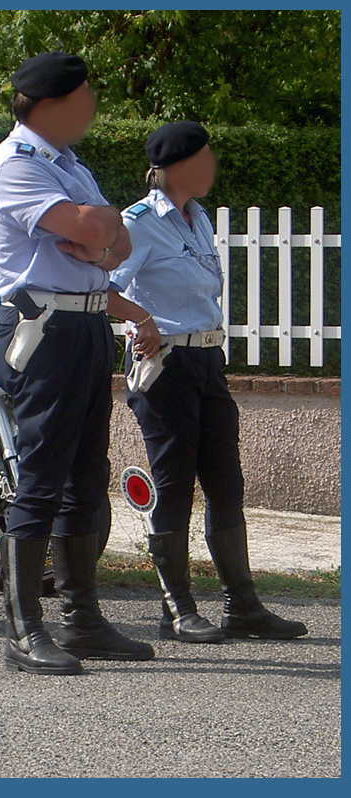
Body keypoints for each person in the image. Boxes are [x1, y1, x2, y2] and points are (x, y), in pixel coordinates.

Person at [0, 51, 155, 675]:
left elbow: (121, 240)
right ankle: (25, 630)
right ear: (50, 104)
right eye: (84, 98)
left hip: (84, 322)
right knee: (43, 473)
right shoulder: (13, 167)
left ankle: (82, 621)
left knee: (86, 471)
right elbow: (95, 227)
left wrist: (97, 235)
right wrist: (96, 231)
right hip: (41, 327)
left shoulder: (69, 166)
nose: (91, 108)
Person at [109, 121, 308, 642]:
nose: (212, 166)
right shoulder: (139, 223)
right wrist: (141, 321)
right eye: (203, 157)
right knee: (174, 485)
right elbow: (101, 288)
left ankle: (242, 606)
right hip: (166, 365)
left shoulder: (196, 220)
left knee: (226, 481)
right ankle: (176, 610)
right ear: (175, 168)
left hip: (206, 361)